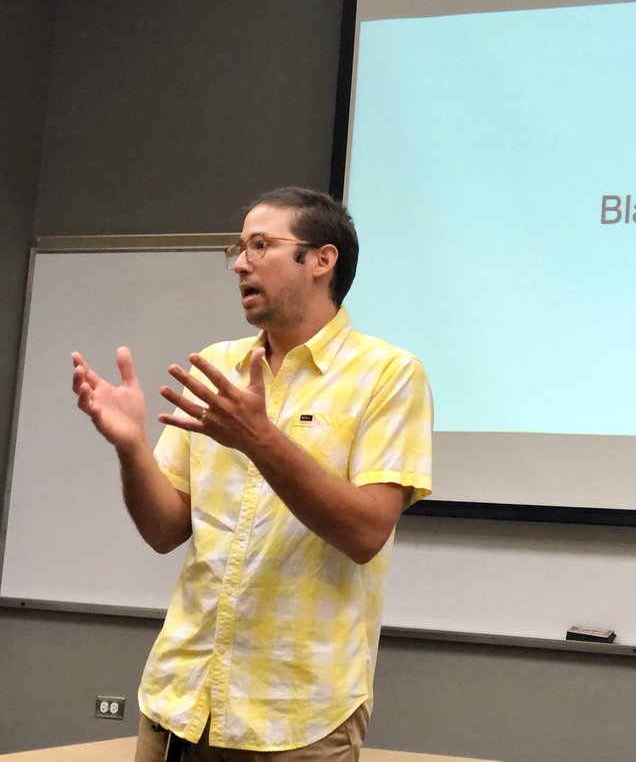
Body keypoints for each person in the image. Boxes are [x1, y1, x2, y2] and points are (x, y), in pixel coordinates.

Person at [71, 187, 432, 761]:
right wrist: (131, 446)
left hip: (299, 717)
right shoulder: (220, 367)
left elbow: (366, 532)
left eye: (260, 246)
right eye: (237, 249)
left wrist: (261, 441)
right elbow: (164, 531)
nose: (241, 263)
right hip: (181, 701)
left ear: (322, 259)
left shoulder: (388, 375)